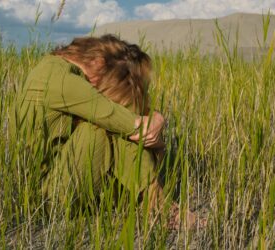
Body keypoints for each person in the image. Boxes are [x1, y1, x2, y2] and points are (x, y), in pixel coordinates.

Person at [11, 34, 199, 228]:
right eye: (104, 79)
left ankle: (152, 201)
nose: (98, 87)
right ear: (99, 62)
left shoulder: (55, 69)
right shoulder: (58, 79)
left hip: (63, 185)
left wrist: (156, 119)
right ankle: (160, 206)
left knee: (109, 124)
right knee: (103, 125)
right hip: (46, 201)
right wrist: (159, 133)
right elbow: (121, 118)